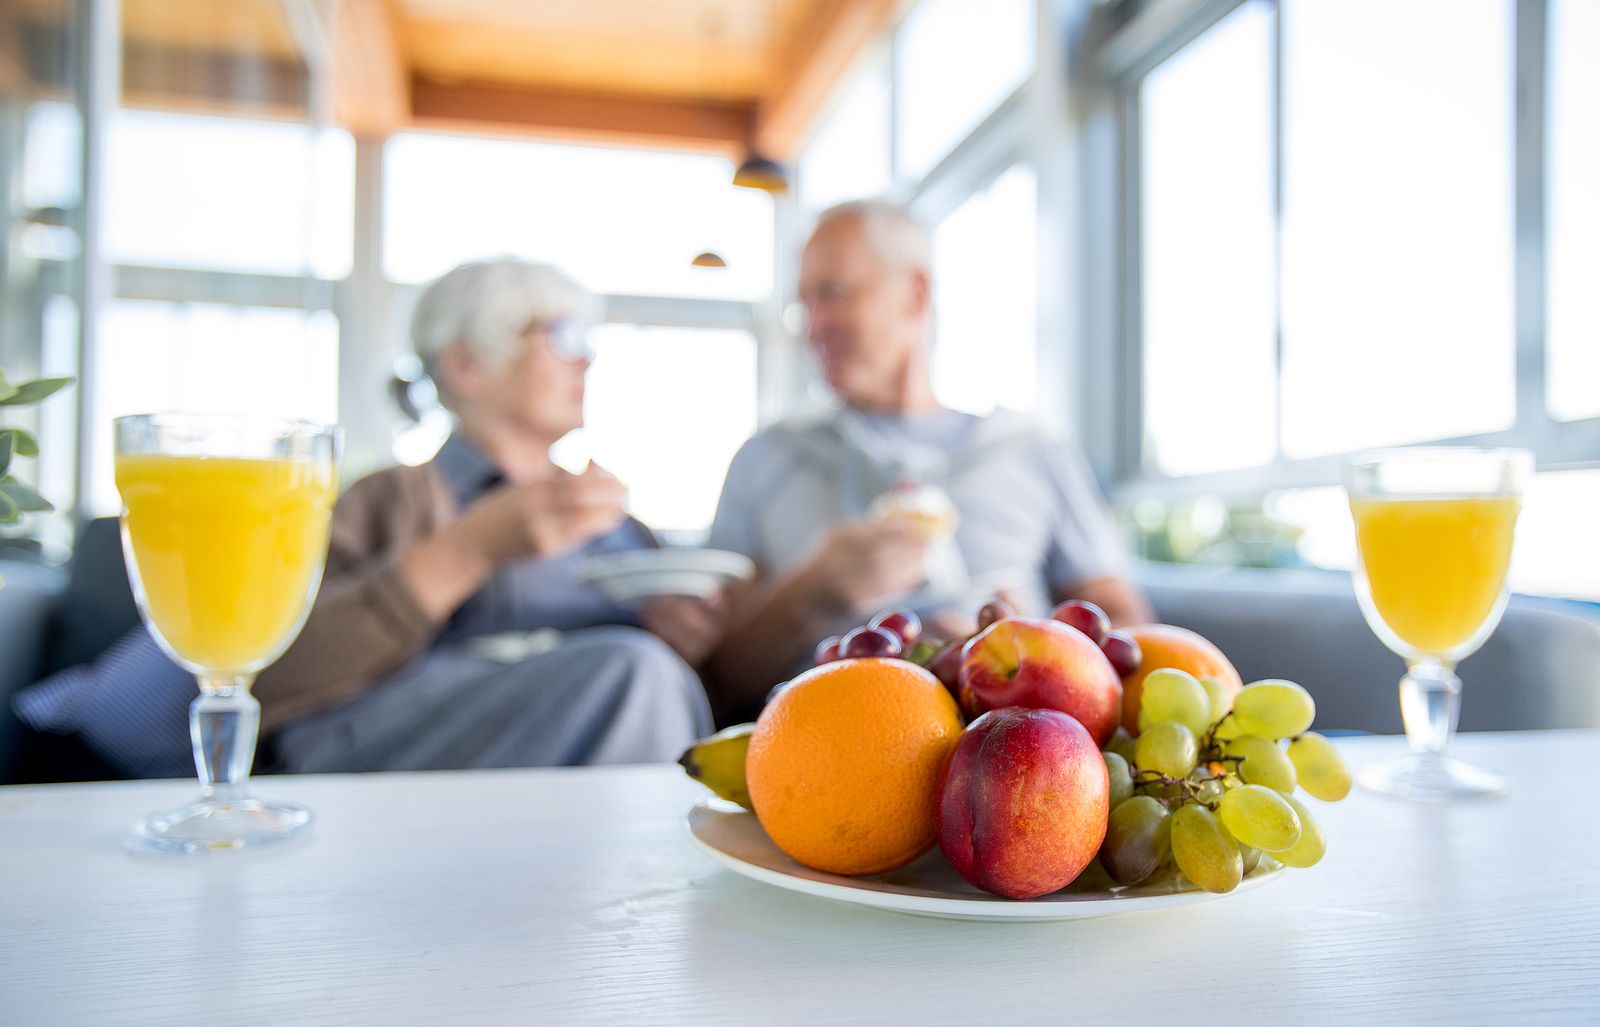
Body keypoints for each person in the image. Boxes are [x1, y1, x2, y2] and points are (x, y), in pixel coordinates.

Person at [14, 258, 721, 778]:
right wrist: (468, 550)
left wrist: (687, 631)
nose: (586, 358)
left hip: (562, 757)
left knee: (648, 670)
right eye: (561, 335)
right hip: (382, 747)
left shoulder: (620, 519)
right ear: (467, 364)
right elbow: (273, 666)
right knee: (634, 674)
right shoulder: (389, 497)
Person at [704, 200, 1153, 713]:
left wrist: (1024, 644)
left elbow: (1127, 630)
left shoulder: (1031, 449)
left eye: (832, 294)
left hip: (1016, 751)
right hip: (822, 752)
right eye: (803, 303)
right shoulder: (765, 456)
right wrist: (808, 595)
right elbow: (715, 683)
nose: (811, 325)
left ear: (915, 295)